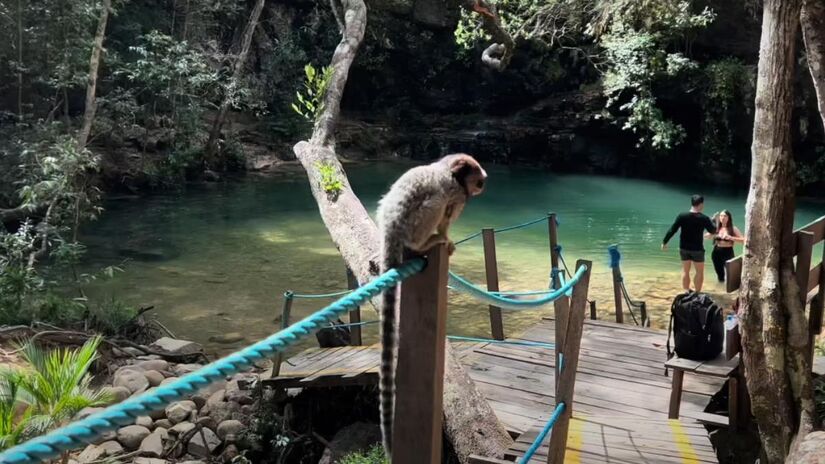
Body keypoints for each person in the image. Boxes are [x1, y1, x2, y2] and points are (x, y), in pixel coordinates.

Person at [661, 194, 717, 292]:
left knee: (685, 271)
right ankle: (697, 293)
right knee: (699, 272)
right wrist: (714, 221)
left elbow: (672, 230)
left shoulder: (682, 216)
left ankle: (686, 291)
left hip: (684, 248)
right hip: (697, 249)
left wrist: (664, 242)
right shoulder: (704, 218)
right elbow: (713, 231)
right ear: (700, 204)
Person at [705, 210, 745, 282]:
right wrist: (713, 234)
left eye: (725, 216)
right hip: (716, 253)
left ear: (729, 218)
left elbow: (743, 240)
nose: (722, 217)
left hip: (728, 253)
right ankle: (720, 288)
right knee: (720, 276)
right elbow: (706, 237)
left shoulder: (733, 228)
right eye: (721, 216)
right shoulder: (716, 228)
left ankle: (730, 290)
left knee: (731, 275)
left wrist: (731, 238)